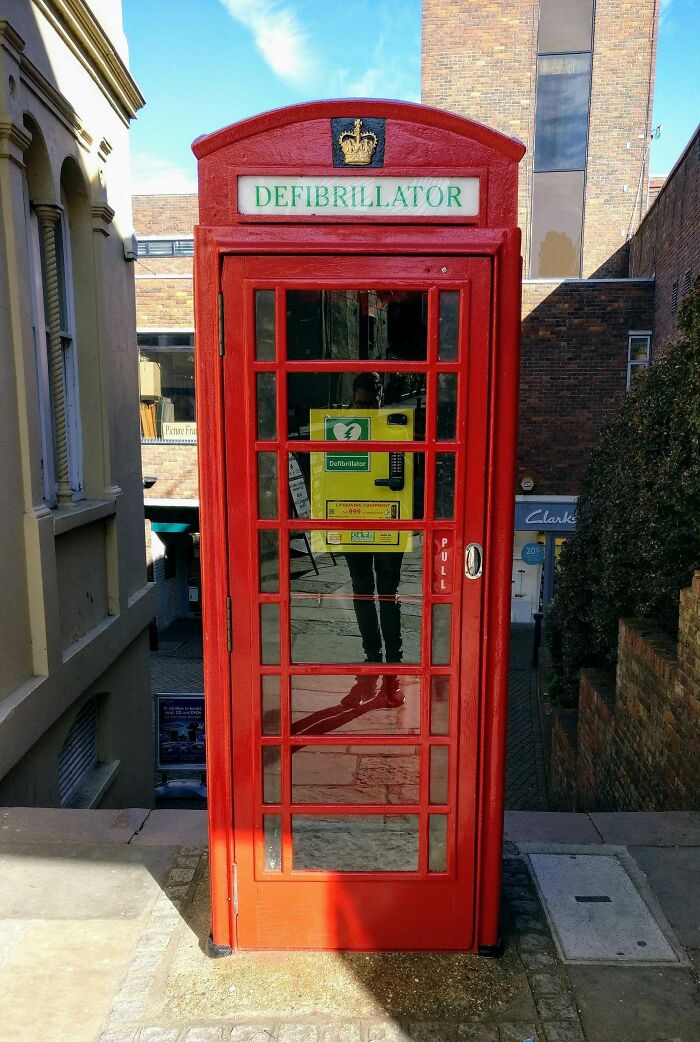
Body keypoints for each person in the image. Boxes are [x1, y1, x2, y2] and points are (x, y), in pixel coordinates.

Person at [344, 373, 405, 667]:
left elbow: (407, 478)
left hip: (387, 520)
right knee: (361, 589)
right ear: (352, 399)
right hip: (351, 519)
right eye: (360, 404)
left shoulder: (394, 429)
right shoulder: (337, 429)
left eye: (371, 404)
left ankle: (393, 656)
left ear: (379, 400)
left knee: (388, 592)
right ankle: (372, 655)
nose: (366, 411)